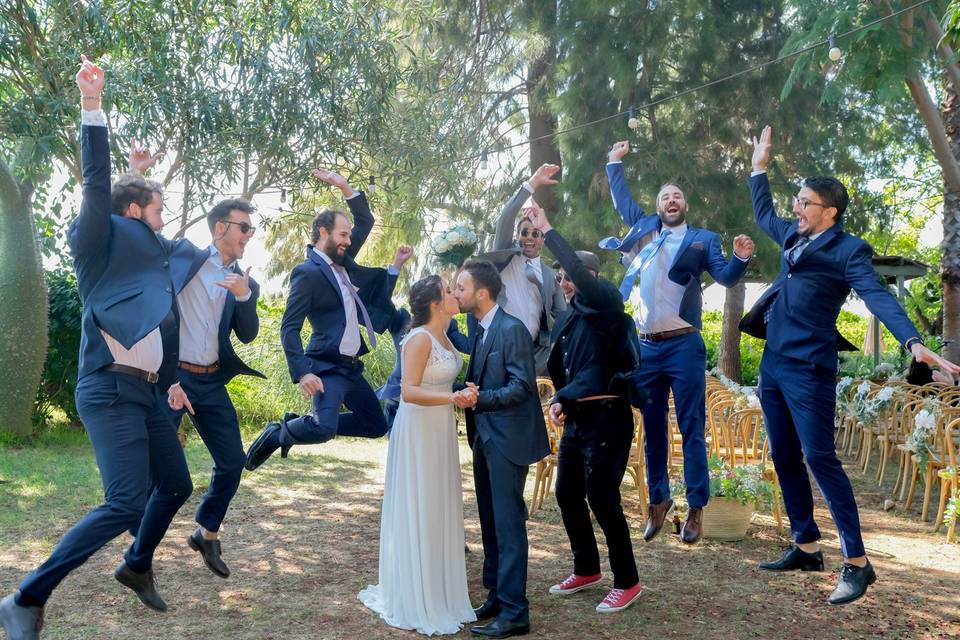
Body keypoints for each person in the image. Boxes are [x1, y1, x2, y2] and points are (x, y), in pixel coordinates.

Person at [0, 56, 199, 640]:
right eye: (157, 210)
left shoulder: (144, 262)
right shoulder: (95, 245)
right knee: (124, 503)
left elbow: (153, 306)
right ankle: (23, 598)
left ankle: (135, 566)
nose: (165, 223)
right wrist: (93, 107)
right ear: (131, 213)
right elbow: (95, 188)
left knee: (178, 484)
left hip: (148, 394)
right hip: (109, 391)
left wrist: (139, 177)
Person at [743, 125, 960, 605]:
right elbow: (763, 212)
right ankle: (805, 545)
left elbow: (878, 296)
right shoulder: (792, 236)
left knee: (820, 458)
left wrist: (912, 341)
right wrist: (758, 168)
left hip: (810, 368)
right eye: (796, 201)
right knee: (783, 455)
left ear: (830, 212)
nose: (796, 209)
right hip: (774, 365)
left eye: (805, 203)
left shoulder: (848, 250)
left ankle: (858, 563)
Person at [601, 140, 755, 544]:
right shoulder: (643, 232)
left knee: (691, 428)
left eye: (677, 196)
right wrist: (614, 163)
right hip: (647, 348)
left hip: (684, 345)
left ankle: (697, 510)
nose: (671, 200)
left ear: (684, 206)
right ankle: (659, 502)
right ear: (658, 207)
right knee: (652, 429)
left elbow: (724, 277)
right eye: (665, 196)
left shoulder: (704, 238)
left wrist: (739, 258)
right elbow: (623, 203)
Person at [525, 208, 642, 613]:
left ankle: (627, 581)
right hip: (578, 420)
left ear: (591, 277)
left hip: (609, 418)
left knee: (602, 497)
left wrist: (548, 231)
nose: (565, 282)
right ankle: (587, 568)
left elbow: (598, 373)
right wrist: (562, 401)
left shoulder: (607, 304)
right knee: (567, 493)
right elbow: (567, 369)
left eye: (571, 276)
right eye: (560, 278)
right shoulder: (568, 318)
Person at [244, 170, 395, 470]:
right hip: (326, 366)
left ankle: (300, 423)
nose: (349, 240)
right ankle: (278, 434)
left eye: (349, 236)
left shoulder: (343, 260)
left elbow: (366, 221)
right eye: (343, 234)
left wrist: (344, 186)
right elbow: (289, 327)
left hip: (351, 367)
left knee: (375, 425)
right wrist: (302, 372)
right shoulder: (307, 272)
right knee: (323, 429)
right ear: (323, 232)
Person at [147, 191, 264, 578]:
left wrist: (245, 296)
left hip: (212, 381)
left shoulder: (245, 281)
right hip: (173, 379)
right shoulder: (186, 260)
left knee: (233, 462)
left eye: (251, 228)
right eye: (243, 227)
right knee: (158, 467)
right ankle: (139, 546)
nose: (249, 234)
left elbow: (247, 335)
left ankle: (207, 533)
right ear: (220, 228)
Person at [358, 276, 479, 635]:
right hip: (418, 430)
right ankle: (416, 592)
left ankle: (440, 589)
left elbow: (439, 382)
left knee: (439, 503)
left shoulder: (445, 336)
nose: (456, 294)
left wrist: (461, 391)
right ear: (435, 303)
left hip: (440, 428)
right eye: (449, 290)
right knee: (421, 504)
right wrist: (451, 398)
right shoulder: (419, 338)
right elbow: (409, 391)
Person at [454, 260, 550, 639]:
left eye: (461, 287)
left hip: (507, 440)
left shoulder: (511, 330)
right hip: (484, 438)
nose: (456, 293)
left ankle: (515, 612)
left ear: (482, 292)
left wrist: (479, 400)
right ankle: (496, 595)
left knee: (509, 526)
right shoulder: (480, 329)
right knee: (491, 523)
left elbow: (522, 386)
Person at [477, 164, 567, 375]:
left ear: (542, 240)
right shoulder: (505, 259)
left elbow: (562, 315)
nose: (529, 237)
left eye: (536, 234)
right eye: (524, 232)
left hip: (536, 357)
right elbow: (505, 219)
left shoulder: (549, 276)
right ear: (517, 236)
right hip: (500, 350)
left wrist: (553, 345)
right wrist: (532, 184)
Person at [376, 247, 470, 430]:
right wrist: (397, 265)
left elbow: (469, 346)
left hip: (437, 409)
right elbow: (381, 302)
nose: (454, 295)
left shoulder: (449, 330)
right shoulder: (401, 319)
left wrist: (475, 306)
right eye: (449, 291)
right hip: (399, 397)